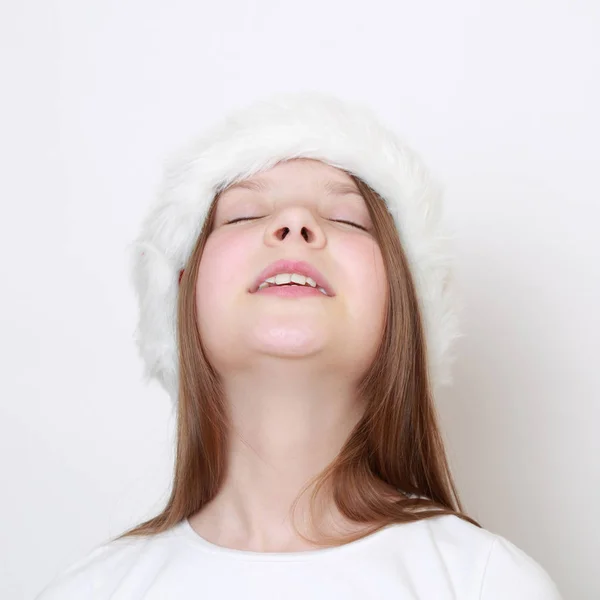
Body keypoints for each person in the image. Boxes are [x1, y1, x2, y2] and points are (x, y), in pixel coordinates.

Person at [35, 91, 562, 599]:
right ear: (181, 294)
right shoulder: (90, 591)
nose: (295, 223)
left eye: (347, 219)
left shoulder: (488, 584)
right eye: (244, 214)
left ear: (404, 303)